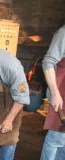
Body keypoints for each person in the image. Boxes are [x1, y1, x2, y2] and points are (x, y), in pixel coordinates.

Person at [40, 24, 65, 160]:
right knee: (57, 137)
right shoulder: (64, 32)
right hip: (62, 89)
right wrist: (55, 94)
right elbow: (48, 62)